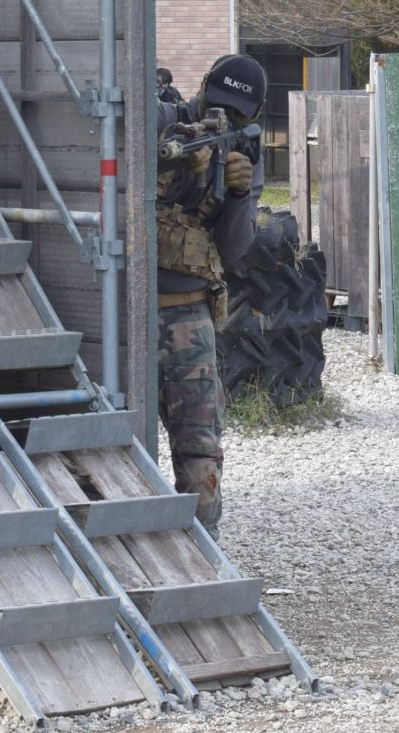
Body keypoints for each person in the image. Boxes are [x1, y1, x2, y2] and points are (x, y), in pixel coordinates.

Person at [155, 54, 267, 537]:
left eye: (237, 115)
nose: (222, 119)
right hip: (127, 313)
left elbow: (236, 250)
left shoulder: (244, 154)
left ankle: (203, 557)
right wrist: (170, 159)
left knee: (200, 453)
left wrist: (238, 194)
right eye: (215, 105)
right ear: (201, 88)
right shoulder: (165, 119)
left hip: (188, 316)